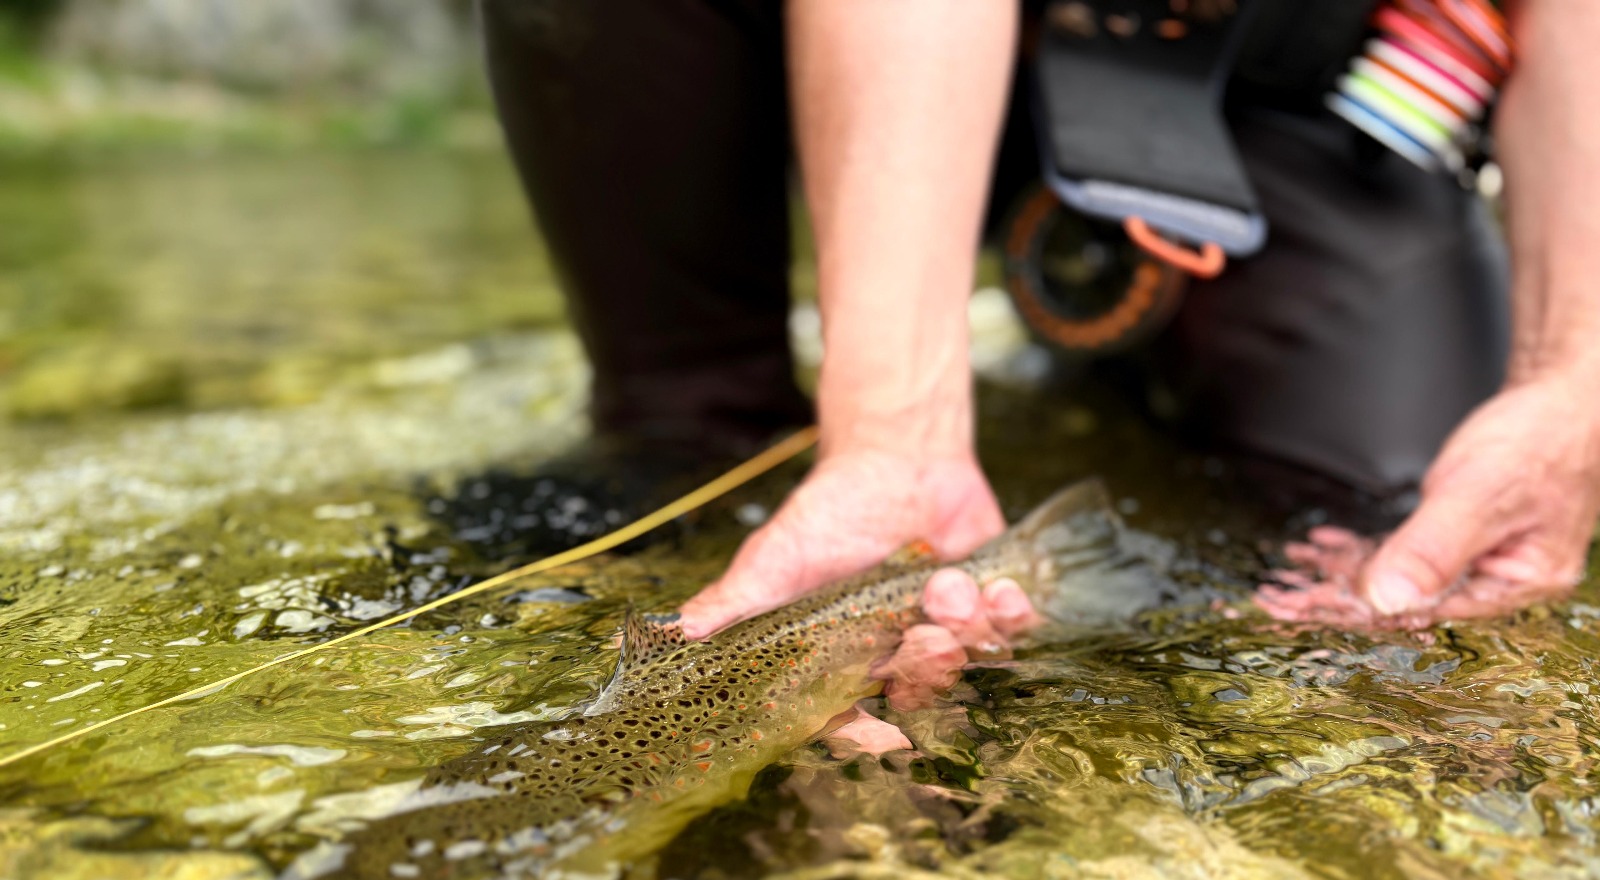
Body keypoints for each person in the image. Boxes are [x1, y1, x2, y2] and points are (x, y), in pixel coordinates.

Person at [480, 0, 1600, 652]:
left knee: (1402, 540)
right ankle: (693, 433)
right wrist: (890, 433)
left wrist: (1571, 378)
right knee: (684, 467)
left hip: (1281, 85)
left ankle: (1116, 367)